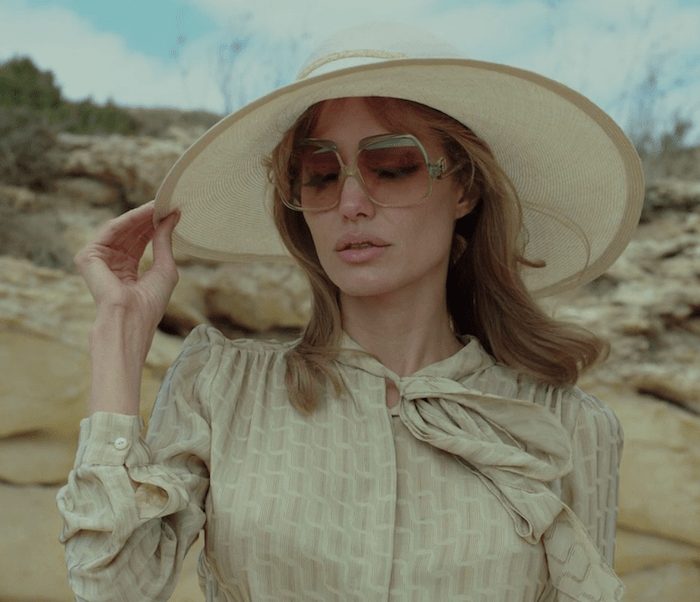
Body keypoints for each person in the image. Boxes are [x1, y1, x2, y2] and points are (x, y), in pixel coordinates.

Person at [56, 25, 644, 602]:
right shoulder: (222, 387)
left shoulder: (570, 426)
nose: (351, 203)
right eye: (321, 175)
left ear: (463, 188)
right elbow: (111, 586)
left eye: (392, 166)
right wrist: (119, 332)